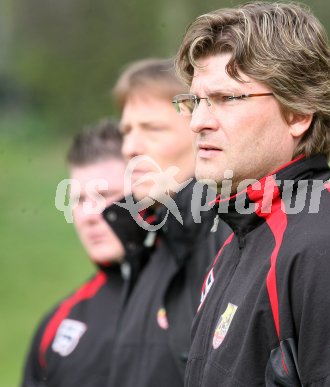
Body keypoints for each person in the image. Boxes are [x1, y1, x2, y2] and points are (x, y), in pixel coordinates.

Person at [174, 2, 330, 386]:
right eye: (195, 101)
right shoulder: (241, 238)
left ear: (298, 113)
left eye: (227, 99)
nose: (198, 122)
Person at [100, 58, 230, 387]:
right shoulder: (151, 242)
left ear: (202, 129)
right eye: (126, 131)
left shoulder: (231, 239)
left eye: (152, 129)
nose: (130, 148)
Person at [21, 120, 135, 387]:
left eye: (105, 194)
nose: (88, 216)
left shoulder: (200, 295)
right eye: (79, 200)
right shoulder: (58, 324)